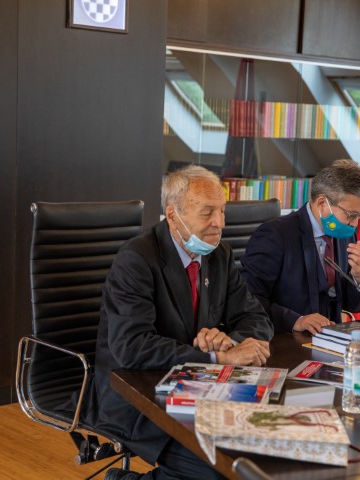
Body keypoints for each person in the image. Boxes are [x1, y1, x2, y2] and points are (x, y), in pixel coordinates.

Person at [89, 165, 273, 480]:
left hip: (200, 387)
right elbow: (131, 347)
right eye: (207, 213)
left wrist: (230, 342)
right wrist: (217, 357)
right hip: (138, 391)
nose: (219, 223)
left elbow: (255, 317)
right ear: (173, 215)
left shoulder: (219, 254)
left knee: (258, 454)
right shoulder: (137, 259)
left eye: (222, 211)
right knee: (218, 469)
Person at [241, 159, 360, 334]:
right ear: (322, 203)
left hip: (331, 337)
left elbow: (354, 306)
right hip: (286, 337)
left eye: (359, 215)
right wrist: (296, 320)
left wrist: (359, 277)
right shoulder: (275, 235)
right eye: (351, 214)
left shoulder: (346, 234)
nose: (355, 223)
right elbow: (248, 299)